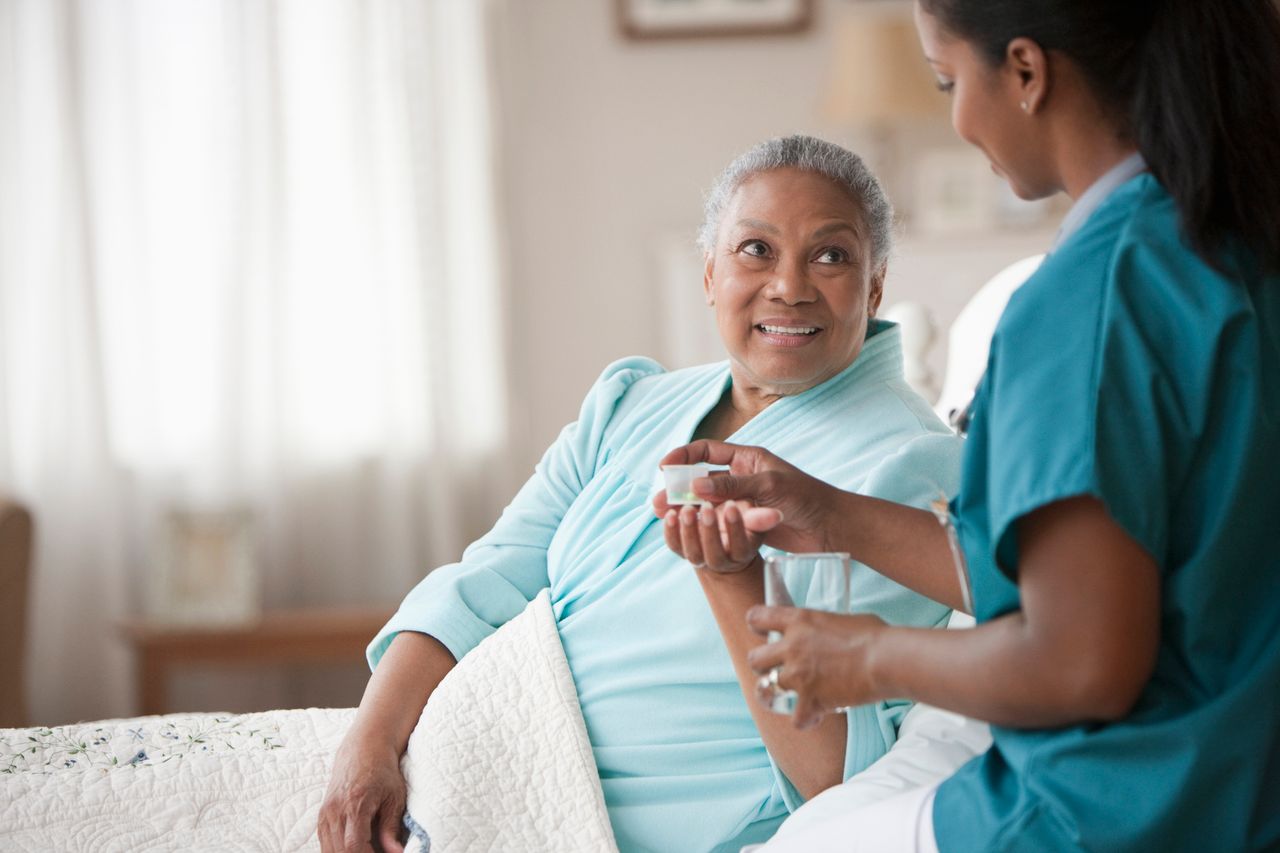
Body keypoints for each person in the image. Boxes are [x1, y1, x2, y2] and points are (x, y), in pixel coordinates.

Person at [657, 1, 1280, 851]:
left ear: (1026, 72)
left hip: (1119, 805)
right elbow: (1105, 575)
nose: (955, 119)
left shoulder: (1082, 305)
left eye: (948, 81)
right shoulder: (1229, 245)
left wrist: (866, 655)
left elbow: (1080, 662)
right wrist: (828, 512)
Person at [317, 135, 965, 853]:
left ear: (875, 287)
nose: (789, 286)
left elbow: (840, 778)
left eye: (832, 255)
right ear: (710, 275)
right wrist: (369, 745)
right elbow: (486, 581)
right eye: (756, 250)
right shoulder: (631, 402)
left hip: (611, 824)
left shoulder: (910, 470)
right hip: (454, 750)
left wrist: (733, 583)